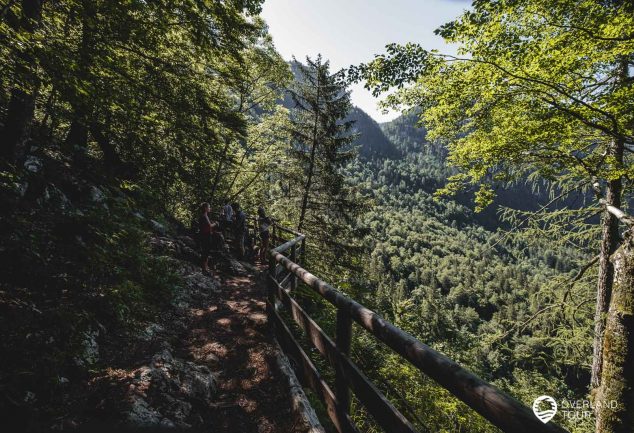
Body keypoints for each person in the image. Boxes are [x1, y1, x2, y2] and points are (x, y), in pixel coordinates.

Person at [198, 202, 217, 275]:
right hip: (205, 236)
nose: (210, 208)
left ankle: (205, 267)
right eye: (209, 207)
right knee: (206, 252)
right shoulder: (204, 216)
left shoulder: (204, 215)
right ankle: (204, 268)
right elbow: (209, 226)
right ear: (205, 208)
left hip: (205, 235)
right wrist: (215, 223)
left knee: (206, 251)